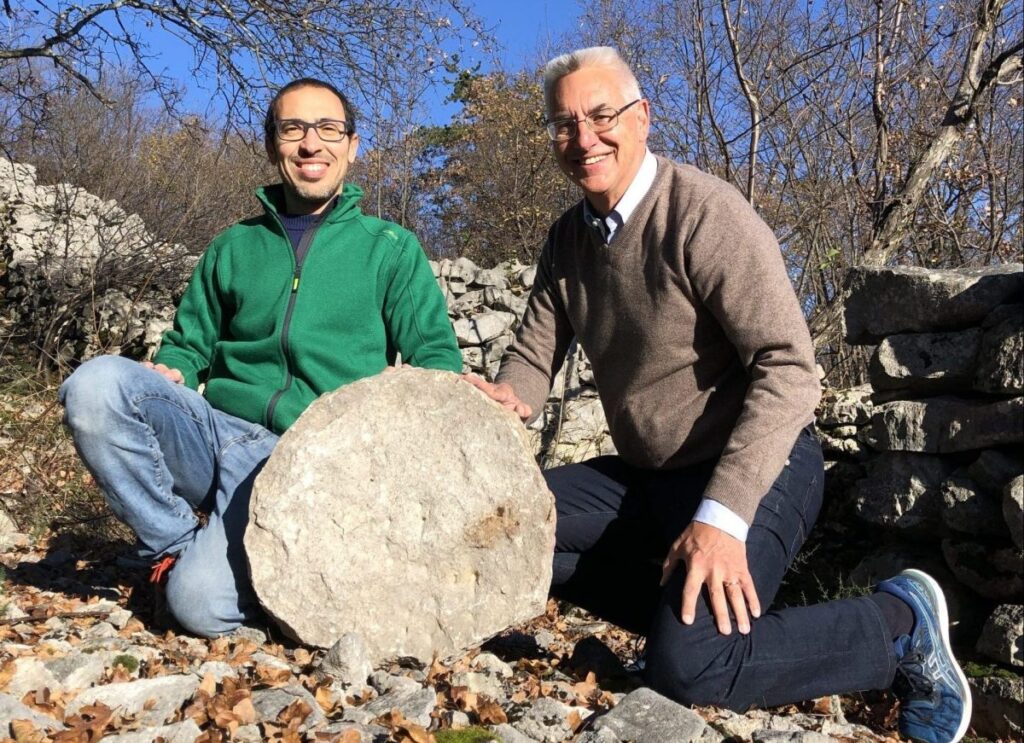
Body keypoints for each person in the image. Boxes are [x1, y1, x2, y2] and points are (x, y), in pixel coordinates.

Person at [465, 47, 971, 743]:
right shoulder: (567, 242)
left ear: (642, 117)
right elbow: (532, 355)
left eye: (602, 115)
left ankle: (897, 624)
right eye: (564, 124)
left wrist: (724, 515)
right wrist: (501, 397)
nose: (584, 138)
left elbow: (790, 368)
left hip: (758, 469)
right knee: (516, 532)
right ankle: (690, 620)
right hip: (647, 479)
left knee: (690, 670)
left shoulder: (704, 213)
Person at [59, 78, 462, 637]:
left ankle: (237, 573)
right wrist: (174, 369)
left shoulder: (389, 249)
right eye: (293, 129)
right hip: (217, 434)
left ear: (353, 145)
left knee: (200, 607)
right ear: (273, 145)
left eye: (328, 129)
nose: (310, 144)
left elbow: (437, 360)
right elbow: (189, 344)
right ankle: (174, 546)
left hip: (313, 459)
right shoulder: (231, 246)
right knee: (94, 385)